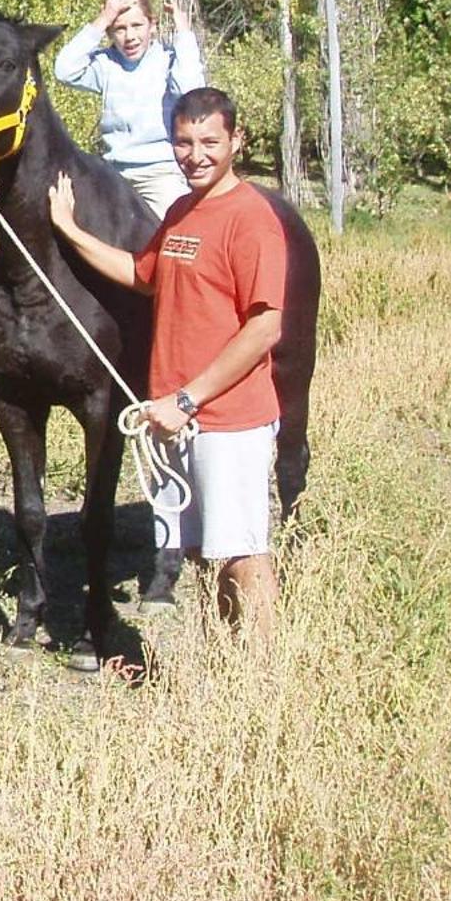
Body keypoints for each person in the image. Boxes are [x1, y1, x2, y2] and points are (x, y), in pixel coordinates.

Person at [45, 86, 285, 642]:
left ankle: (267, 676)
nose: (195, 154)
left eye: (209, 141)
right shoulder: (181, 212)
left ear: (236, 142)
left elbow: (264, 325)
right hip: (175, 419)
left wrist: (187, 398)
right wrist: (70, 231)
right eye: (183, 142)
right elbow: (142, 274)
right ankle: (226, 664)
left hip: (227, 420)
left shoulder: (251, 219)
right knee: (202, 552)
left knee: (243, 553)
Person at [52, 0, 205, 216]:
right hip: (113, 174)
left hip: (160, 174)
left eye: (137, 25)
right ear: (110, 33)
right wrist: (103, 18)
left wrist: (184, 33)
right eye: (119, 29)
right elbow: (64, 69)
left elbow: (191, 91)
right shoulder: (105, 64)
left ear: (152, 25)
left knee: (171, 235)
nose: (130, 36)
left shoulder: (168, 60)